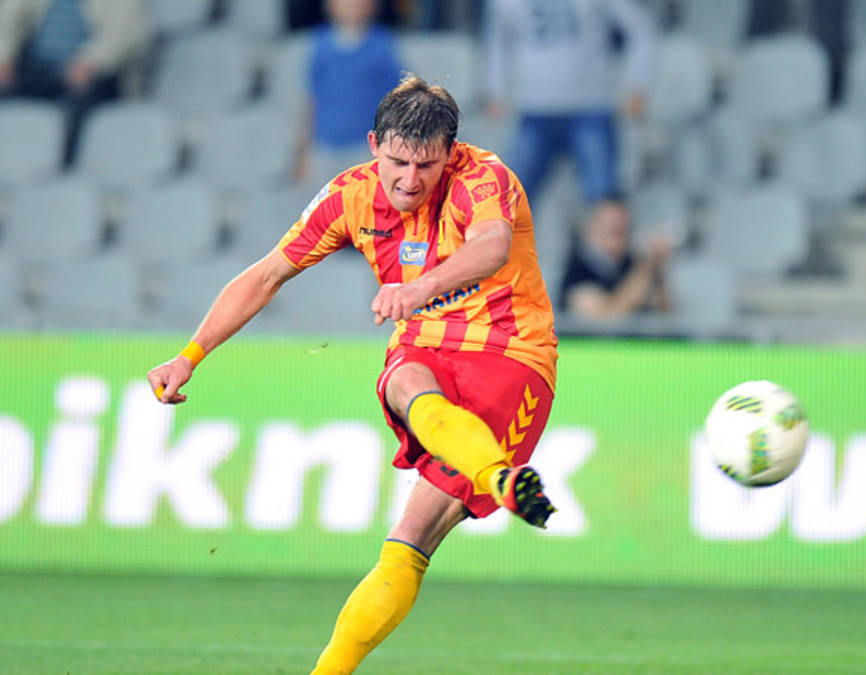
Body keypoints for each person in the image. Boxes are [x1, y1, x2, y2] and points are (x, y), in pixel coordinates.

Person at [146, 75, 559, 674]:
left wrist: (418, 288)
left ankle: (494, 473)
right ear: (373, 145)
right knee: (402, 419)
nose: (409, 180)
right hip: (426, 343)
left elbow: (492, 246)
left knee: (416, 525)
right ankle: (496, 477)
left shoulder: (484, 176)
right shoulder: (349, 196)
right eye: (397, 162)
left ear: (450, 153)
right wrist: (189, 355)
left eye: (426, 165)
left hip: (510, 351)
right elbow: (267, 274)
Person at [483, 0, 657, 204]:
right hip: (534, 110)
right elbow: (496, 41)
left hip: (591, 108)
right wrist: (495, 91)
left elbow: (640, 29)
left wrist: (638, 85)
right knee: (509, 202)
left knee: (605, 202)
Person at [0, 0, 149, 168]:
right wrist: (4, 57)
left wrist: (91, 62)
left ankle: (64, 171)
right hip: (39, 66)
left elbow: (125, 36)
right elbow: (8, 19)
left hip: (97, 72)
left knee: (77, 106)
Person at [294, 0, 403, 192]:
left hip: (365, 149)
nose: (351, 5)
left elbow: (396, 102)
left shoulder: (382, 46)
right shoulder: (319, 46)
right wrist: (303, 154)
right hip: (324, 150)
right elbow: (311, 102)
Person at [559, 198, 672, 318]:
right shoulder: (577, 269)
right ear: (590, 228)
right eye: (613, 227)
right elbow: (608, 315)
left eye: (624, 229)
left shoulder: (630, 264)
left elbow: (666, 316)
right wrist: (647, 265)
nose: (620, 232)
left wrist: (657, 269)